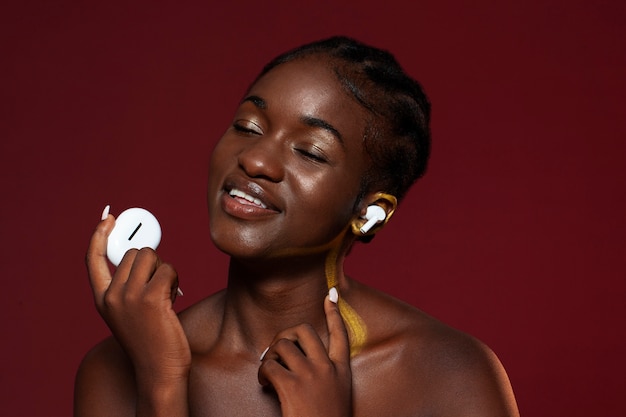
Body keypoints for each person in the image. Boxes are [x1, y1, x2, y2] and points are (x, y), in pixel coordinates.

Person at [75, 36, 520, 417]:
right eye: (248, 126)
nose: (255, 160)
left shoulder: (447, 375)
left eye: (310, 152)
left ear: (369, 212)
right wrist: (162, 380)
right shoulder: (117, 370)